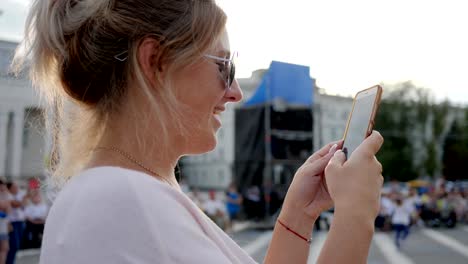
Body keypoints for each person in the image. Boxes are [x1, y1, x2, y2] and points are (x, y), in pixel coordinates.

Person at [14, 0, 384, 263]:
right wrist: (355, 216)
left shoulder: (124, 190)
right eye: (224, 66)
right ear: (154, 62)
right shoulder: (117, 195)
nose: (235, 92)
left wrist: (298, 217)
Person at [6, 181, 27, 264]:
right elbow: (17, 204)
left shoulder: (19, 194)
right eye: (14, 187)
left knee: (16, 245)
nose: (16, 189)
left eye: (17, 187)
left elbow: (27, 199)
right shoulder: (8, 196)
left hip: (20, 222)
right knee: (13, 244)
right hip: (12, 223)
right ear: (9, 188)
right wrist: (23, 200)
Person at [0, 180, 11, 264]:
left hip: (3, 227)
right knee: (4, 248)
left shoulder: (4, 196)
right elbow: (5, 207)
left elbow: (8, 210)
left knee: (5, 248)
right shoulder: (4, 196)